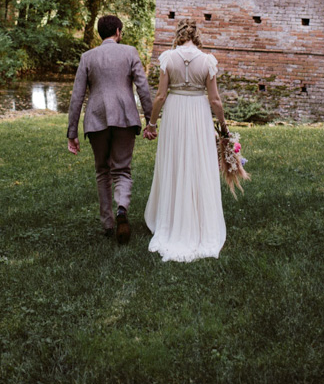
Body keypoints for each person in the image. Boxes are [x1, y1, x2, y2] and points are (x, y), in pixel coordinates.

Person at [142, 18, 228, 262]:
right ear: (196, 36)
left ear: (179, 36)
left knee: (174, 162)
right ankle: (200, 223)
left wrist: (151, 123)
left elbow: (159, 97)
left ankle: (170, 220)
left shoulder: (168, 58)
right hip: (199, 113)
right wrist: (223, 128)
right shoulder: (207, 61)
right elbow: (215, 101)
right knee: (199, 163)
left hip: (176, 113)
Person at [67, 14, 153, 244]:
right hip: (125, 117)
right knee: (122, 169)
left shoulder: (87, 57)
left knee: (102, 170)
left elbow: (77, 97)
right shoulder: (130, 52)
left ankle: (107, 223)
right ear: (117, 32)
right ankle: (122, 209)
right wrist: (150, 120)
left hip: (96, 119)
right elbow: (143, 87)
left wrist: (72, 133)